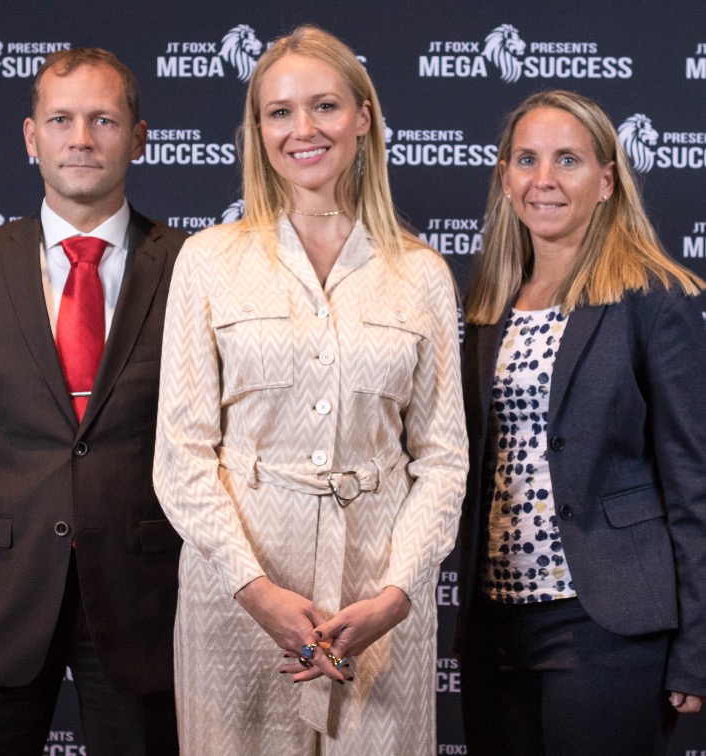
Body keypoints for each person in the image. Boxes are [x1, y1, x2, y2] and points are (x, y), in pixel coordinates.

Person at [153, 24, 467, 756]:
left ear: (363, 118)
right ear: (258, 130)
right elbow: (182, 453)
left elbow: (442, 458)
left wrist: (396, 596)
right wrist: (255, 590)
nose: (303, 129)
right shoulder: (208, 260)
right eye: (280, 112)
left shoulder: (422, 273)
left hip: (376, 605)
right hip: (237, 599)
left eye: (324, 106)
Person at [455, 89, 706, 755]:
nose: (544, 179)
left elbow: (695, 486)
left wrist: (698, 648)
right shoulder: (489, 307)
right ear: (504, 177)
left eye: (567, 159)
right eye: (527, 159)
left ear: (607, 180)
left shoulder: (655, 297)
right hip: (496, 623)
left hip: (605, 625)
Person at [0, 48, 186, 755]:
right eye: (61, 120)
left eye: (102, 120)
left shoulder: (193, 267)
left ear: (138, 138)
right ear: (31, 137)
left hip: (145, 596)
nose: (80, 138)